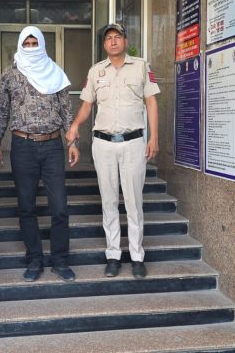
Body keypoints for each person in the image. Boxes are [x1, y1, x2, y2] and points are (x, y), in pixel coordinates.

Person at [65, 23, 160, 280]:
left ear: (125, 41)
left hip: (133, 143)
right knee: (108, 201)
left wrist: (153, 137)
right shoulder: (96, 71)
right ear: (104, 44)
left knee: (133, 202)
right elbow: (87, 105)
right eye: (109, 38)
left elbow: (151, 102)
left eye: (118, 37)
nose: (113, 41)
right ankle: (113, 255)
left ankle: (137, 256)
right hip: (103, 144)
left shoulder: (141, 66)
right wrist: (75, 125)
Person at [0, 26, 80, 283]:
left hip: (52, 146)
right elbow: (2, 111)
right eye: (27, 43)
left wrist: (73, 142)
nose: (31, 47)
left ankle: (60, 260)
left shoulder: (55, 72)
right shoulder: (9, 75)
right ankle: (34, 260)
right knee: (26, 206)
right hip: (22, 146)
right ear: (21, 45)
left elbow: (66, 111)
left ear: (42, 44)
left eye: (35, 43)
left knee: (59, 207)